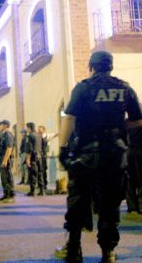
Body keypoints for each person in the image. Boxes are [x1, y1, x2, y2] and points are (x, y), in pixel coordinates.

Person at [55, 51, 142, 263]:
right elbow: (137, 121)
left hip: (87, 152)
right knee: (110, 204)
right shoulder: (124, 88)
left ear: (90, 67)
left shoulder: (84, 87)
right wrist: (119, 126)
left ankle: (73, 249)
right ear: (110, 67)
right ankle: (108, 252)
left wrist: (63, 148)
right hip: (115, 153)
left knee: (78, 201)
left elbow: (70, 118)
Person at [0, 120, 15, 203]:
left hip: (5, 159)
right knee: (3, 178)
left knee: (7, 177)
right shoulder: (3, 135)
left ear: (6, 125)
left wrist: (5, 160)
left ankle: (10, 195)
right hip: (2, 158)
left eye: (2, 125)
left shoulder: (8, 135)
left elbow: (9, 148)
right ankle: (6, 194)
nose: (0, 126)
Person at [126, 108, 142, 214]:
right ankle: (141, 205)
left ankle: (132, 206)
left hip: (128, 153)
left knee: (129, 181)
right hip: (140, 152)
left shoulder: (126, 123)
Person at [26, 122, 44, 196]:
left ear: (29, 128)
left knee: (33, 174)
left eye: (27, 128)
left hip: (33, 156)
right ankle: (42, 191)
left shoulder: (30, 136)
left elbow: (29, 148)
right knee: (40, 173)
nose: (26, 129)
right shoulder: (39, 135)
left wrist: (28, 159)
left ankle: (32, 191)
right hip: (39, 156)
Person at [38, 125, 49, 190]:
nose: (38, 130)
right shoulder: (37, 136)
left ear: (44, 130)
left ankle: (44, 184)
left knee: (43, 170)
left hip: (44, 156)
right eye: (38, 129)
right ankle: (40, 184)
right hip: (39, 155)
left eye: (40, 129)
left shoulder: (47, 136)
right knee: (39, 170)